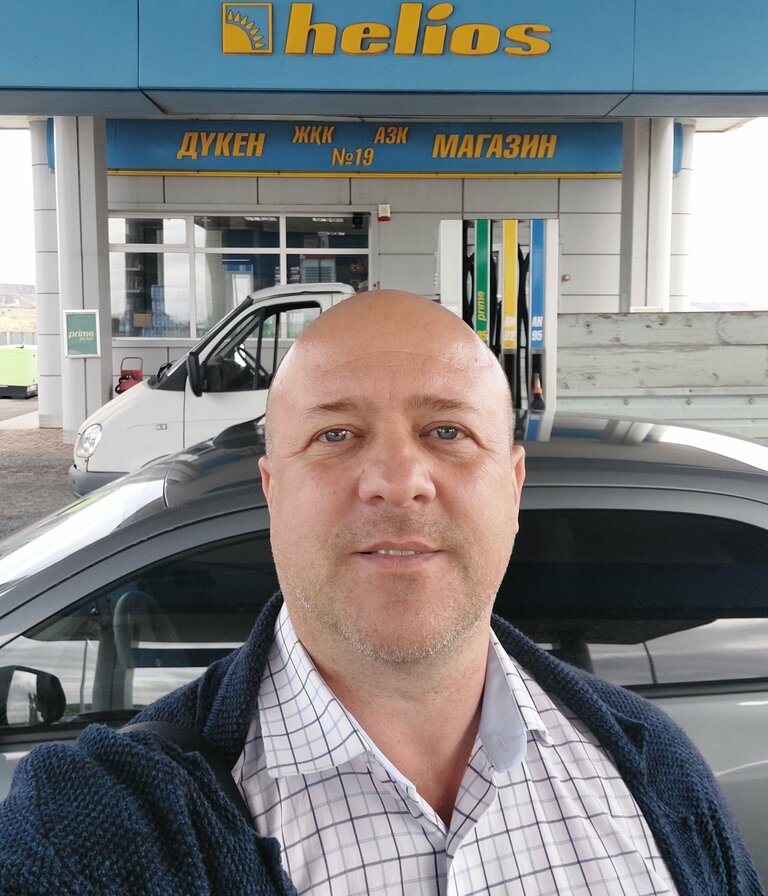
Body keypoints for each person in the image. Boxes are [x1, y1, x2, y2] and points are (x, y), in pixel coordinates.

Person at [0, 290, 762, 896]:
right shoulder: (91, 830)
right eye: (336, 435)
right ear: (272, 490)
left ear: (513, 487)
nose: (398, 480)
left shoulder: (654, 767)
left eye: (447, 432)